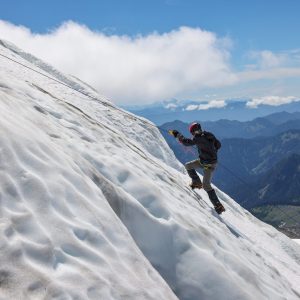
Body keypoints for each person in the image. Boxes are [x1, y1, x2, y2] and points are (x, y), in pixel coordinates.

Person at [169, 122, 225, 214]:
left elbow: (186, 143)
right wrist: (210, 151)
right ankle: (196, 183)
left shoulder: (197, 138)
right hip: (207, 162)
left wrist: (177, 135)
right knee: (188, 165)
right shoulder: (209, 134)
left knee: (206, 185)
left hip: (208, 165)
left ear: (193, 132)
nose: (193, 134)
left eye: (192, 133)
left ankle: (218, 206)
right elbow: (218, 145)